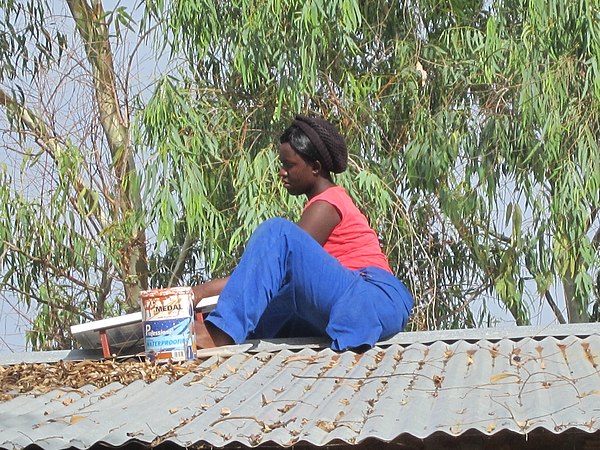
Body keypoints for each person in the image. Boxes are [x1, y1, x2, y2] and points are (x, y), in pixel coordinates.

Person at [192, 115, 413, 351]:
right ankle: (199, 330)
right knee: (274, 308)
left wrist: (197, 293)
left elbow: (268, 265)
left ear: (315, 167)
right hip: (355, 304)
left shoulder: (328, 204)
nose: (281, 173)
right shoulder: (323, 204)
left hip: (373, 296)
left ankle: (219, 333)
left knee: (277, 234)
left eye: (289, 165)